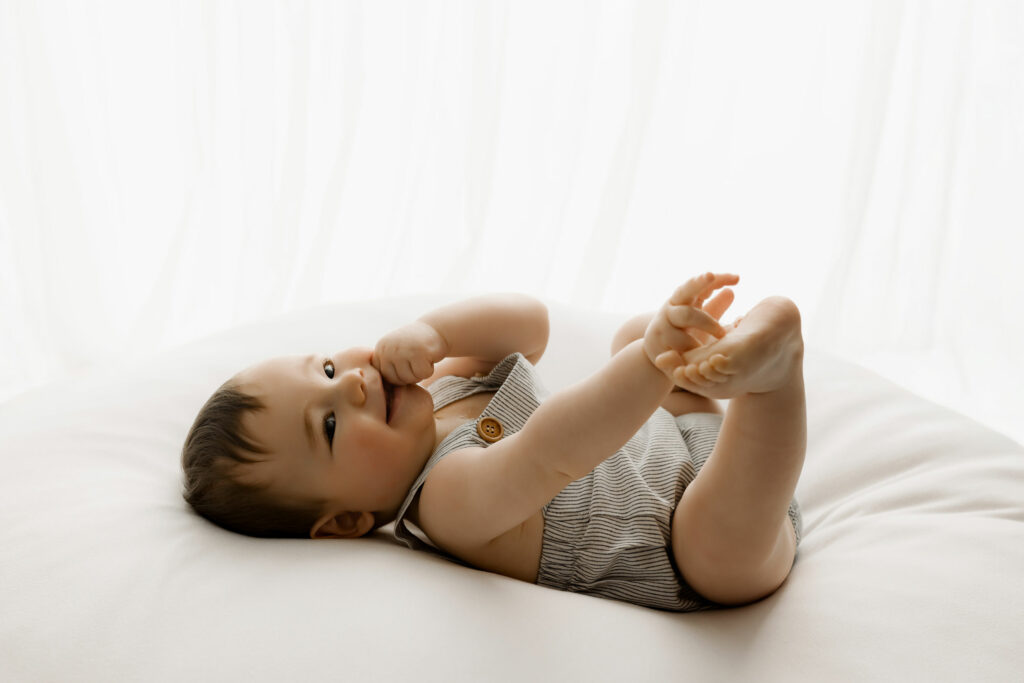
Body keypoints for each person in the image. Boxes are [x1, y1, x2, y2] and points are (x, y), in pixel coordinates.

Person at [181, 272, 805, 611]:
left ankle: (733, 358)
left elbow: (530, 326)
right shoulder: (444, 501)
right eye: (329, 425)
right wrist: (650, 362)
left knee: (631, 335)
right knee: (712, 550)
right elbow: (555, 451)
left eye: (325, 369)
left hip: (676, 435)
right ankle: (773, 379)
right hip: (706, 536)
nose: (351, 383)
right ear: (347, 520)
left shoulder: (441, 389)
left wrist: (435, 333)